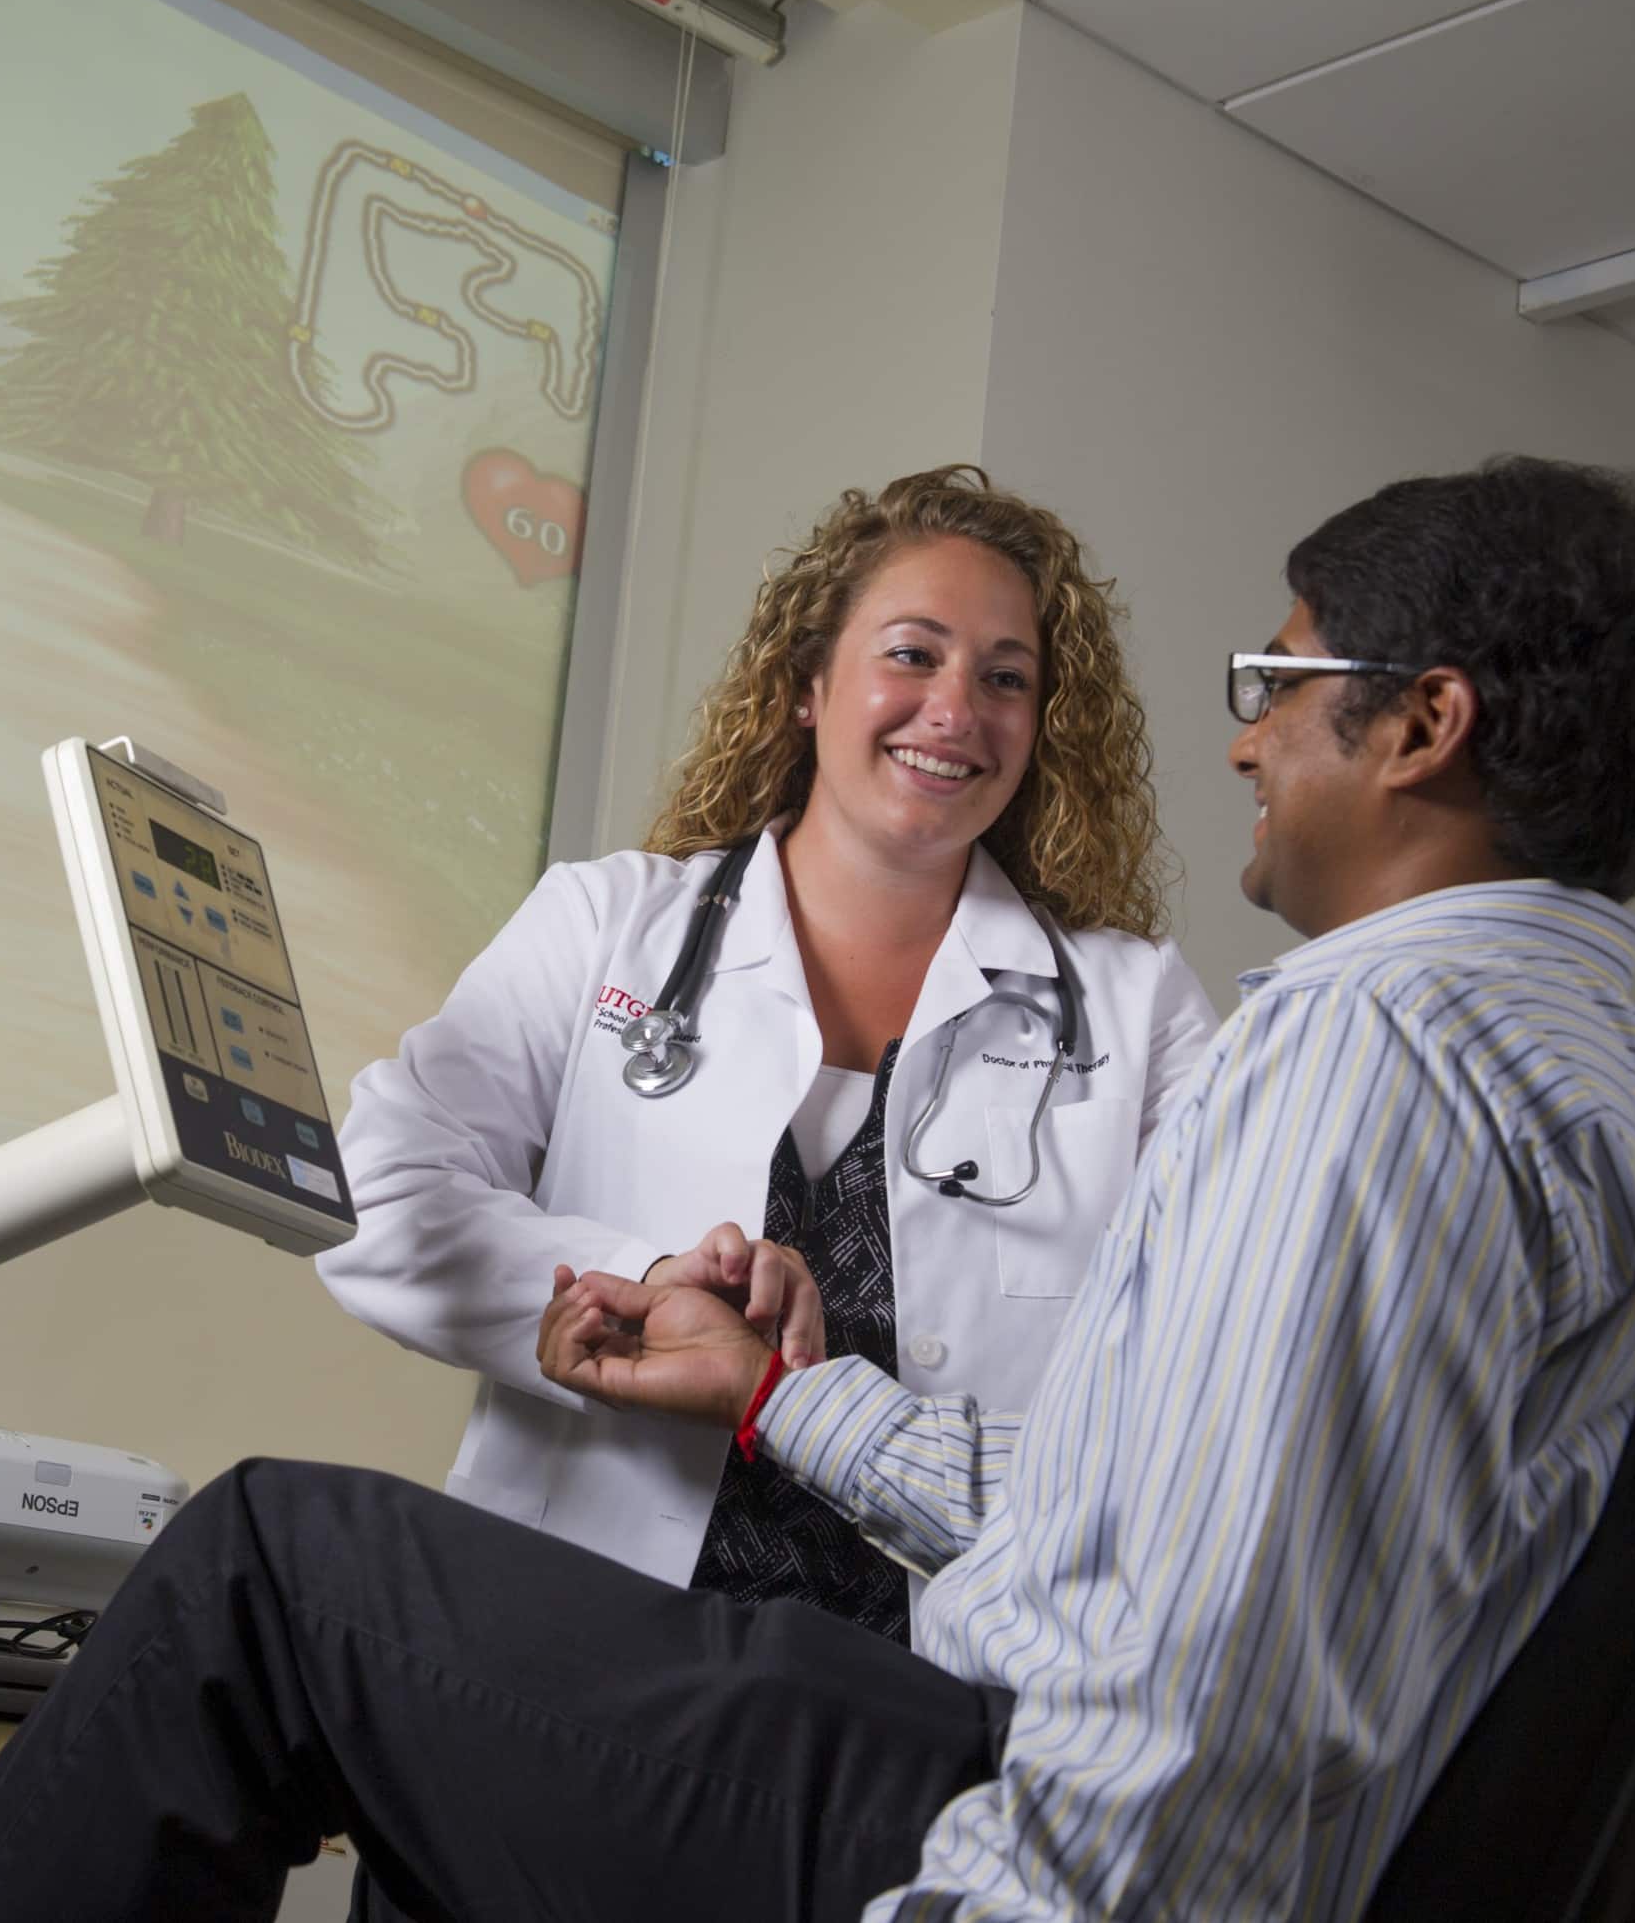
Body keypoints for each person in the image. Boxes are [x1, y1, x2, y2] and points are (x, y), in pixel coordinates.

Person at [0, 456, 1635, 1923]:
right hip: (819, 1698)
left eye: (1275, 682)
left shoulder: (1335, 1050)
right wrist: (760, 1378)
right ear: (809, 685)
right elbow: (1181, 1512)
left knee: (267, 1571)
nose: (1243, 735)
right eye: (913, 655)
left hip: (963, 1789)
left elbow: (1211, 1678)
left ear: (1422, 725)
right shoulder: (1611, 1103)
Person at [322, 466, 1217, 1646]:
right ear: (806, 684)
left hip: (930, 1696)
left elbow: (1218, 1364)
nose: (956, 709)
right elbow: (375, 1197)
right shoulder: (606, 924)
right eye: (913, 654)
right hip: (577, 1647)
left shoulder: (1137, 1011)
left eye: (1006, 678)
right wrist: (646, 1282)